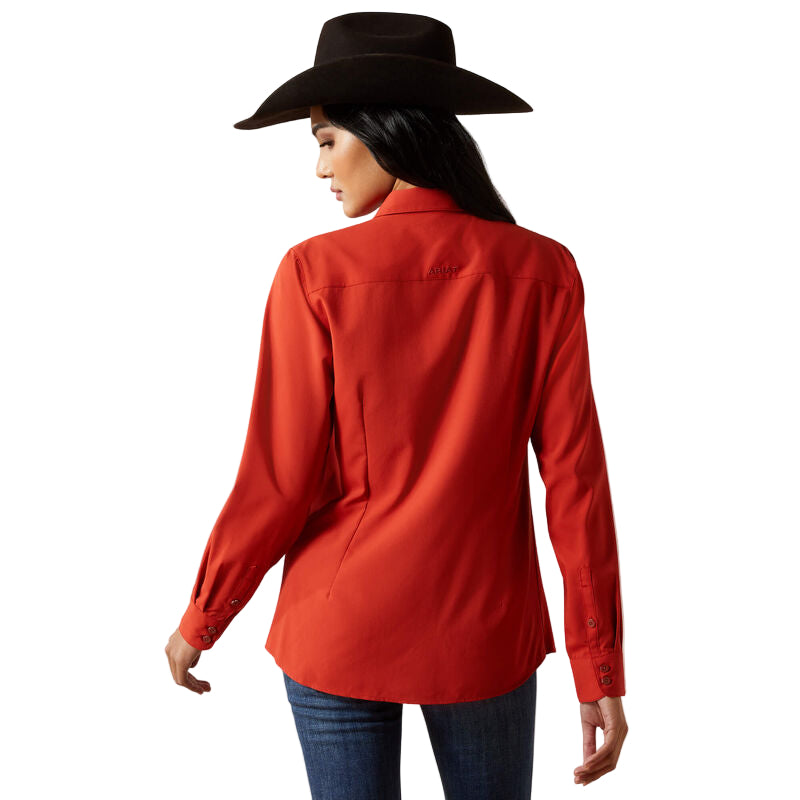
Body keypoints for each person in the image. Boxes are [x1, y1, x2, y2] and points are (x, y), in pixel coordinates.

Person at [165, 11, 628, 798]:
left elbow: (279, 480)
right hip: (486, 634)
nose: (320, 168)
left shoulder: (314, 273)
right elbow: (576, 486)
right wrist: (600, 666)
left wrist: (202, 617)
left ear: (383, 130)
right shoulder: (544, 272)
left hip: (337, 624)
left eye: (325, 140)